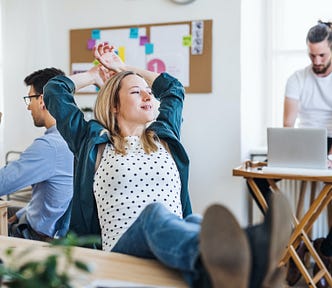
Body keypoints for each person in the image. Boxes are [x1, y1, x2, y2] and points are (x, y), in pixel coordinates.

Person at [43, 42, 293, 287]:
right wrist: (93, 74)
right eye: (135, 92)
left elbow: (172, 87)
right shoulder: (93, 141)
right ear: (114, 105)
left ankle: (239, 267)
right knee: (154, 214)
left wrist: (124, 68)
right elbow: (54, 90)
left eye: (149, 92)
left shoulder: (163, 137)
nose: (147, 95)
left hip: (169, 245)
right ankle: (247, 249)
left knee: (195, 222)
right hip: (122, 253)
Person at [275, 20, 332, 287]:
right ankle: (300, 249)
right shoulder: (297, 78)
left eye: (322, 54)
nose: (317, 60)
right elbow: (288, 125)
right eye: (312, 55)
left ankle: (325, 251)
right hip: (306, 141)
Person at [0, 68, 74, 241]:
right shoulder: (72, 136)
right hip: (41, 221)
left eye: (30, 98)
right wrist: (21, 213)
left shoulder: (49, 147)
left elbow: (2, 184)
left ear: (42, 100)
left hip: (37, 237)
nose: (28, 106)